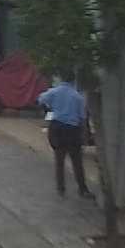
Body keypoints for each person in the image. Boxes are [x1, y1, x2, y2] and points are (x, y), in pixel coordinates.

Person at [38, 70, 95, 199]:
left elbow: (41, 99)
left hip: (57, 128)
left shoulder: (54, 92)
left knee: (59, 160)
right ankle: (82, 189)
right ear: (74, 80)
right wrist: (84, 136)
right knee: (77, 162)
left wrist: (51, 106)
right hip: (72, 130)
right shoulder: (78, 97)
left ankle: (61, 188)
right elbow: (82, 118)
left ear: (62, 78)